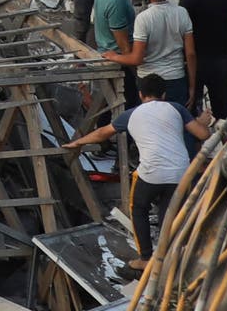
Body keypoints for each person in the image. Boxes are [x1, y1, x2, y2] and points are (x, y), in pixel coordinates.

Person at [66, 76, 212, 261]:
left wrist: (78, 142)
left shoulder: (131, 114)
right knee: (170, 215)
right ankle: (172, 259)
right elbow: (203, 134)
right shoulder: (177, 108)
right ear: (164, 94)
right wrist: (203, 122)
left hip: (151, 174)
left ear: (141, 94)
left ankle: (145, 259)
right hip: (180, 173)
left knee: (138, 208)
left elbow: (102, 133)